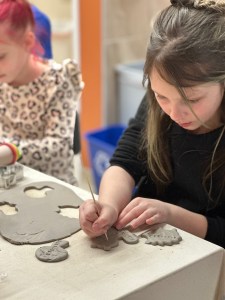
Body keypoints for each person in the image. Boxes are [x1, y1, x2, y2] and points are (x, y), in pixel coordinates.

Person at [79, 0, 225, 248]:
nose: (174, 112)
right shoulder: (159, 106)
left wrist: (171, 215)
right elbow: (125, 161)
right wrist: (109, 205)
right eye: (161, 95)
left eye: (192, 99)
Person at [0, 0, 83, 185]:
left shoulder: (58, 81)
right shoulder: (3, 78)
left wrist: (10, 151)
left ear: (27, 42)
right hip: (11, 181)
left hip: (53, 186)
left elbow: (59, 148)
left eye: (1, 56)